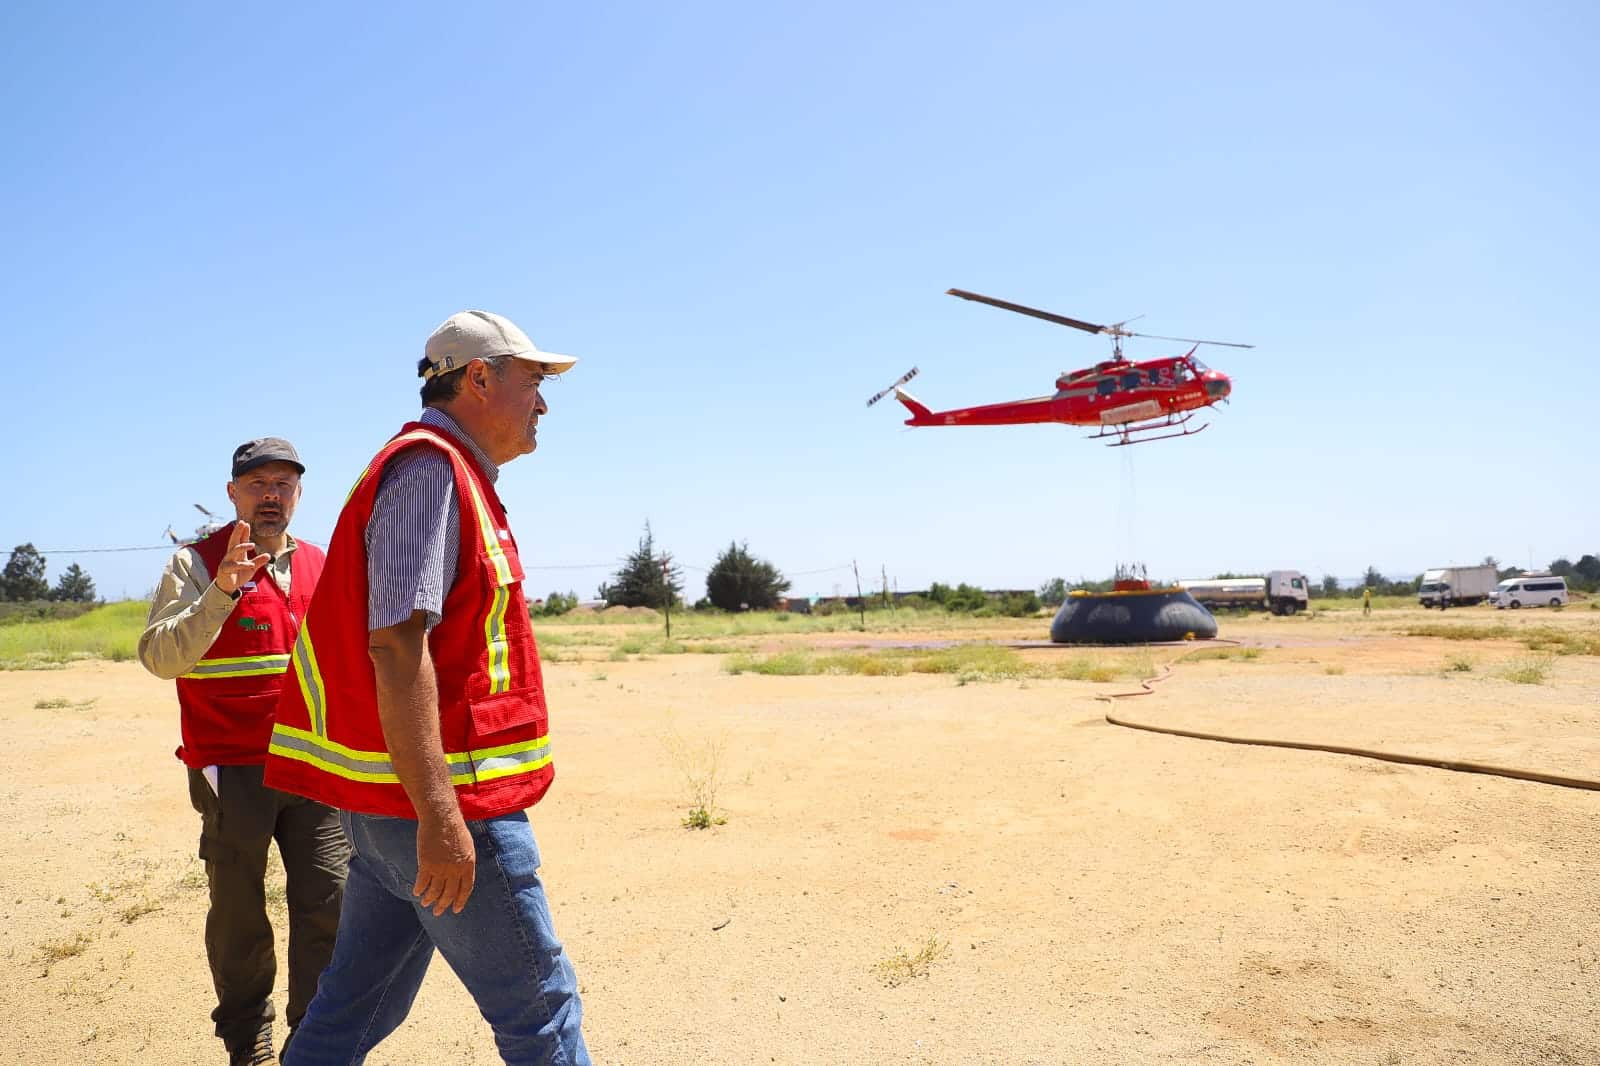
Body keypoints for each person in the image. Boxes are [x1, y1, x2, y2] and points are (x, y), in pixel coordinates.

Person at [267, 311, 589, 1065]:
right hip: (442, 807)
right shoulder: (430, 470)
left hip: (388, 807)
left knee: (352, 1009)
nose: (543, 403)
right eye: (533, 381)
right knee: (541, 1008)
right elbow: (396, 642)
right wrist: (442, 817)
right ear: (479, 377)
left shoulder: (448, 472)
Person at [139, 438, 346, 1066]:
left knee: (331, 906)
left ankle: (312, 1040)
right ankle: (247, 1037)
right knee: (239, 914)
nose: (272, 495)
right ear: (233, 493)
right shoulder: (196, 564)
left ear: (299, 494)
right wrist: (222, 591)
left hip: (315, 767)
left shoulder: (324, 563)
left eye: (284, 484)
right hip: (233, 771)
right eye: (258, 484)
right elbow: (160, 656)